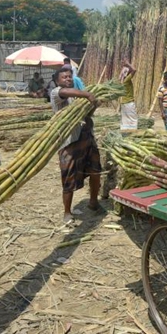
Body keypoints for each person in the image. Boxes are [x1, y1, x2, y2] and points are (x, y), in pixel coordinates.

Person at [50, 68, 101, 225]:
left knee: (95, 170)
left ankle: (93, 203)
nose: (68, 79)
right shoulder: (56, 93)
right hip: (69, 142)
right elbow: (67, 92)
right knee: (68, 177)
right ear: (57, 81)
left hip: (86, 138)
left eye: (69, 77)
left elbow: (88, 115)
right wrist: (87, 94)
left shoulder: (76, 96)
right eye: (64, 77)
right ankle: (67, 212)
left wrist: (94, 104)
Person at [119, 58, 137, 130]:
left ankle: (125, 135)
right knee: (133, 121)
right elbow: (134, 70)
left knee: (125, 121)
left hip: (123, 103)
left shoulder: (122, 81)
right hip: (129, 103)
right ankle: (132, 136)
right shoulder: (126, 80)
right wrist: (128, 64)